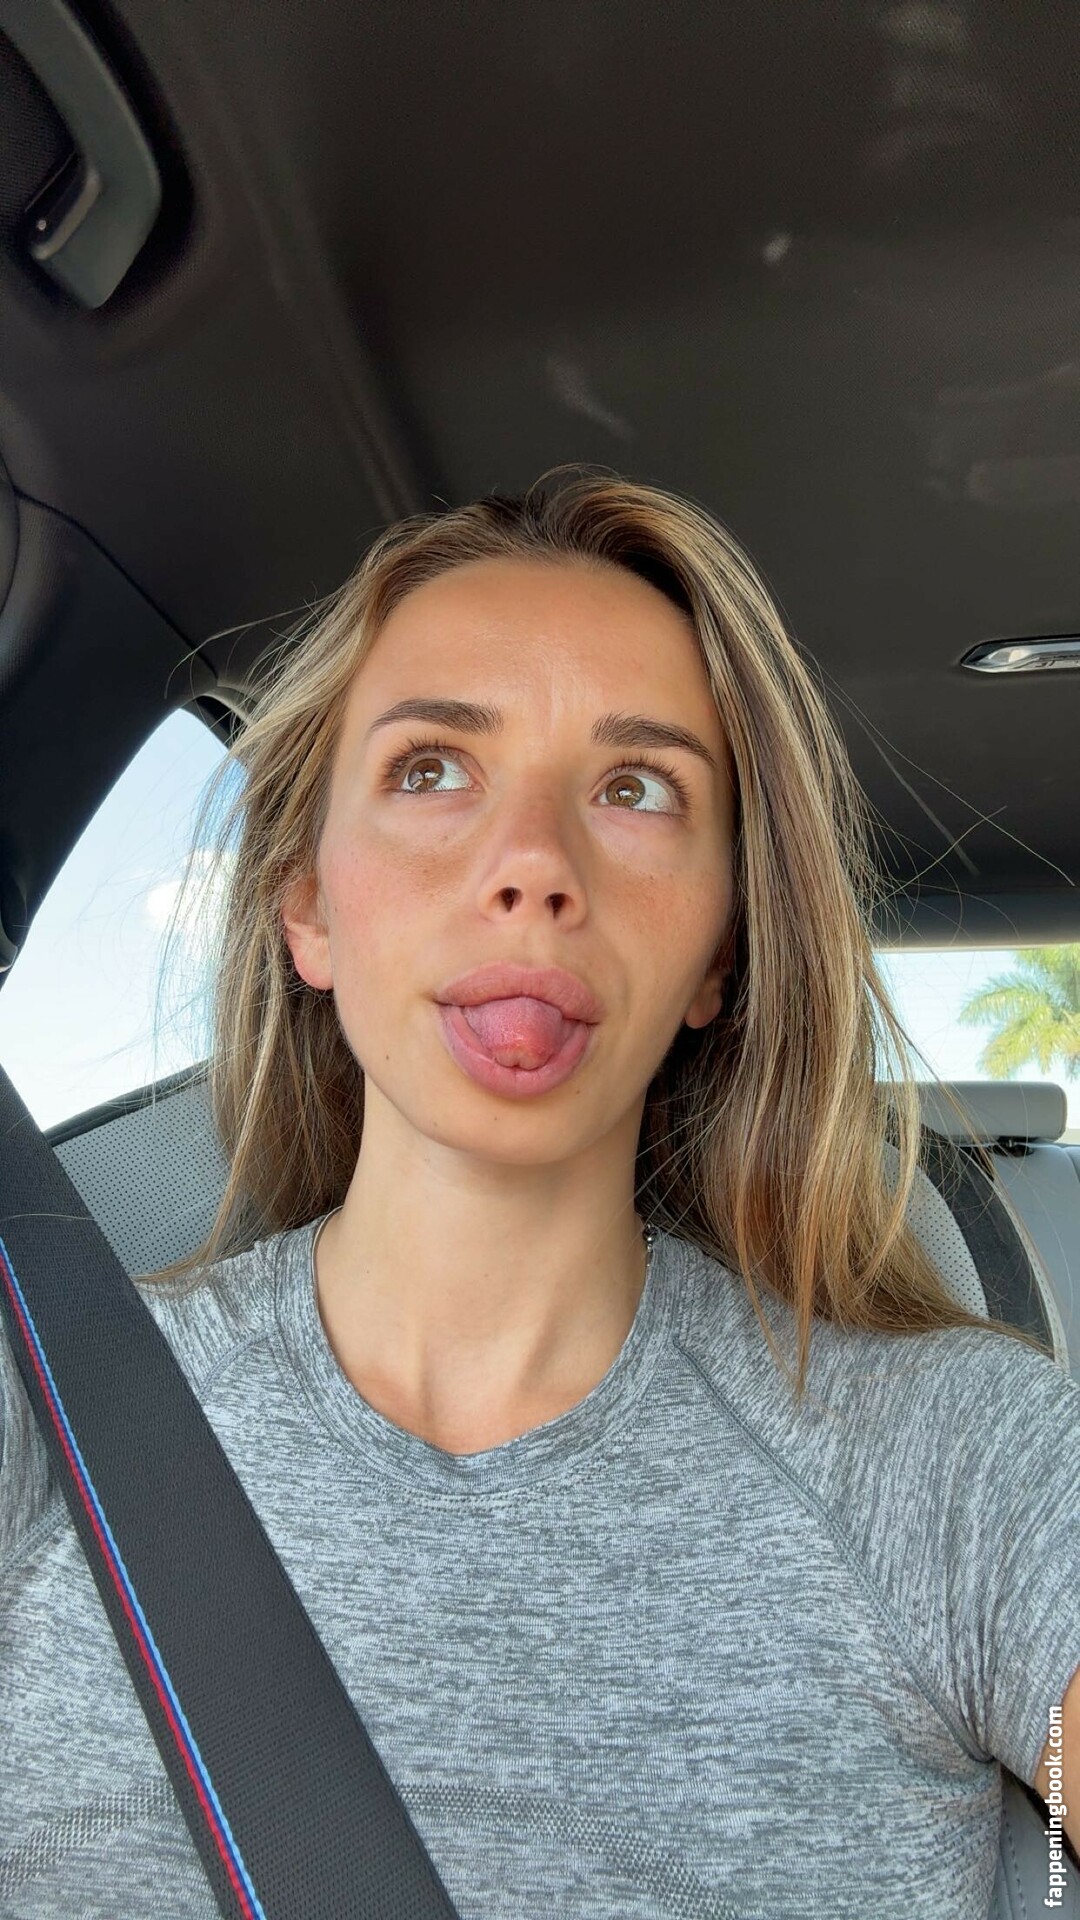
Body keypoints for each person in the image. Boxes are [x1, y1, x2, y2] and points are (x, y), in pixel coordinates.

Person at [1, 466, 1077, 1918]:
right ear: (307, 903)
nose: (532, 868)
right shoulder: (38, 1415)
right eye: (432, 769)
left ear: (719, 953)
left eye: (636, 790)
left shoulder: (957, 1463)